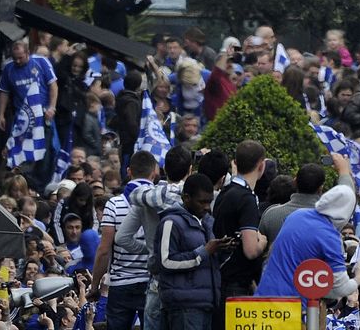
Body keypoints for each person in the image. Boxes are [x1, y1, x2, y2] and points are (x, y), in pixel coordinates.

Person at [115, 146, 194, 330]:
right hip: (187, 281)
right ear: (190, 170)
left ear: (164, 169)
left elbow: (122, 237)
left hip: (157, 280)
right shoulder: (194, 197)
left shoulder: (146, 198)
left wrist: (151, 249)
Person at [255, 184, 360, 301]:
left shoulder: (297, 215)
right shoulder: (330, 237)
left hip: (264, 298)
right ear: (346, 213)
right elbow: (340, 289)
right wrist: (359, 278)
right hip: (292, 308)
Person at [91, 150, 159, 330]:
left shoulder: (113, 204)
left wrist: (94, 285)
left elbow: (104, 249)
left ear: (129, 171)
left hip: (120, 285)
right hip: (151, 283)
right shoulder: (161, 201)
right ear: (154, 172)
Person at [156, 173, 233, 330]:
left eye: (209, 202)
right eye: (202, 202)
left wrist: (223, 249)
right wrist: (204, 252)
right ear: (186, 198)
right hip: (184, 306)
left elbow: (211, 260)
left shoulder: (207, 222)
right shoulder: (171, 222)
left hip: (207, 303)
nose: (206, 207)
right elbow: (165, 262)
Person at [212, 140, 268, 330]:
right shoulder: (246, 199)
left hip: (220, 279)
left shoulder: (224, 192)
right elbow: (251, 250)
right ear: (262, 166)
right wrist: (263, 241)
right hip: (237, 285)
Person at [259, 156, 356, 251]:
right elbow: (347, 195)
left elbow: (259, 245)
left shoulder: (271, 215)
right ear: (321, 187)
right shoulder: (330, 218)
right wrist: (344, 172)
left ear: (295, 181)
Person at [0, 40, 58, 191]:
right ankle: (20, 184)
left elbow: (53, 85)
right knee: (20, 152)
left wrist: (52, 107)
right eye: (15, 58)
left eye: (21, 57)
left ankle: (39, 186)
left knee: (44, 152)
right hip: (22, 119)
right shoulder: (9, 69)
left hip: (43, 115)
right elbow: (4, 92)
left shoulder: (41, 62)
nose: (18, 61)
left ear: (28, 53)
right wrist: (1, 114)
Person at [112, 71, 144, 179]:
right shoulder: (131, 102)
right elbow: (131, 123)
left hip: (123, 138)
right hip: (129, 142)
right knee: (125, 165)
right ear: (138, 85)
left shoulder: (121, 97)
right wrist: (138, 137)